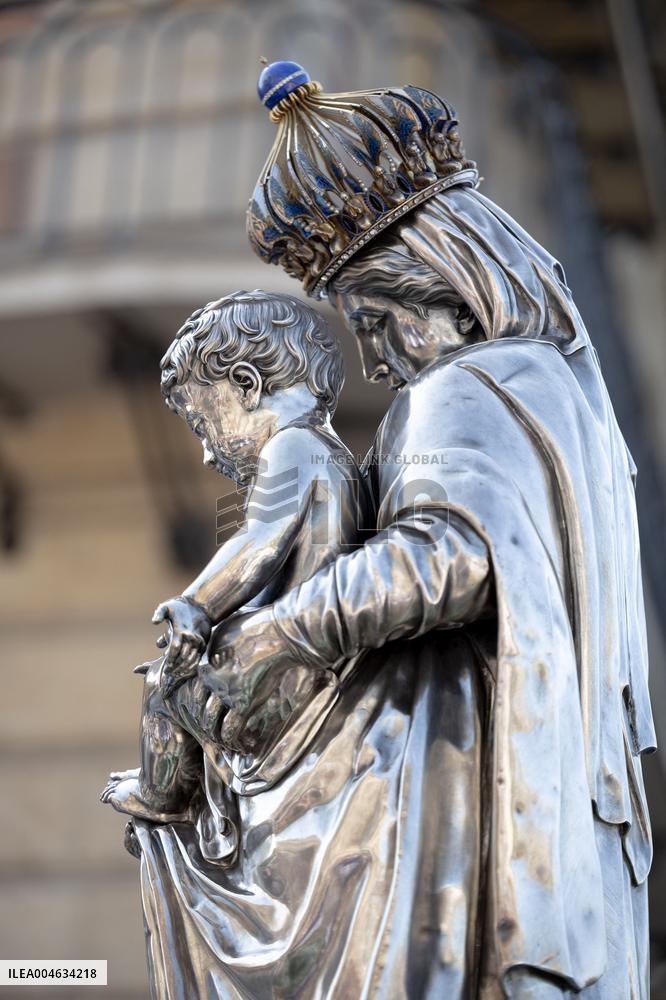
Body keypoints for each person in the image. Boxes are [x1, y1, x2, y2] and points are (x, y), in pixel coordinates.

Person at [130, 69, 655, 999]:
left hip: (450, 797)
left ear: (434, 279)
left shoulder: (471, 386)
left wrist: (282, 631)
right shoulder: (544, 384)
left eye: (373, 319)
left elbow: (448, 560)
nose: (370, 357)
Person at [100, 289, 369, 840]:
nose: (205, 452)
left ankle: (162, 795)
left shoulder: (294, 446)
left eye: (203, 424)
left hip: (280, 677)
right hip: (306, 667)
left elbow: (259, 540)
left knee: (164, 684)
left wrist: (196, 604)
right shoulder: (330, 453)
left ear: (246, 385)